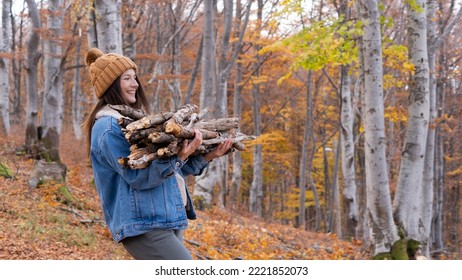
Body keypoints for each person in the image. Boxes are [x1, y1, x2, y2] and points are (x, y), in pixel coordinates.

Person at [82, 48, 233, 260]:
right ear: (111, 85)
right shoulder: (108, 127)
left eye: (134, 77)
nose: (135, 83)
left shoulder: (136, 124)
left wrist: (207, 156)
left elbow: (169, 172)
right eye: (127, 78)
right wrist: (178, 158)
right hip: (143, 223)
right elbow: (138, 177)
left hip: (166, 215)